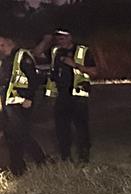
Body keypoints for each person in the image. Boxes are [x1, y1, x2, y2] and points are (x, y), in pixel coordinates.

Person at [39, 29, 94, 163]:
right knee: (61, 128)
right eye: (58, 38)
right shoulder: (55, 51)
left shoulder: (83, 51)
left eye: (63, 38)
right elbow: (36, 53)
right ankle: (65, 156)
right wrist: (45, 41)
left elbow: (94, 71)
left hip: (78, 95)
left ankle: (83, 155)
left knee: (81, 127)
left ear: (70, 37)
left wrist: (74, 64)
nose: (60, 41)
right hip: (61, 95)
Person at [0, 36, 48, 176]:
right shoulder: (5, 60)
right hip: (8, 102)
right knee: (11, 135)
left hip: (21, 102)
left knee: (21, 133)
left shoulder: (22, 56)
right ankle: (17, 168)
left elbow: (33, 79)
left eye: (0, 45)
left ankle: (41, 160)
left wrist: (28, 98)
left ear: (6, 44)